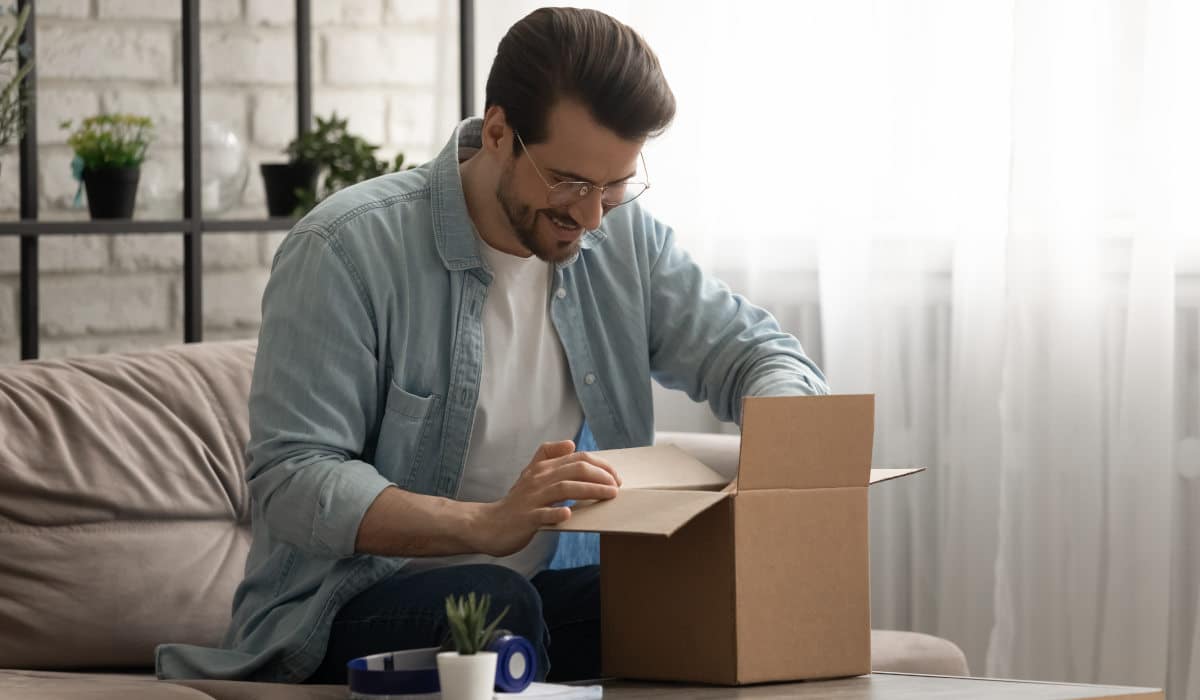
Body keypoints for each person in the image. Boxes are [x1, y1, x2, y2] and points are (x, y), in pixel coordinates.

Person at [155, 6, 828, 686]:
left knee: (713, 601)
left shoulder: (624, 243)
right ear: (500, 131)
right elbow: (294, 480)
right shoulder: (345, 248)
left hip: (527, 604)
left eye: (615, 185)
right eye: (569, 181)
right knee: (498, 605)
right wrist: (484, 524)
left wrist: (780, 459)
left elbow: (761, 354)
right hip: (346, 605)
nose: (591, 216)